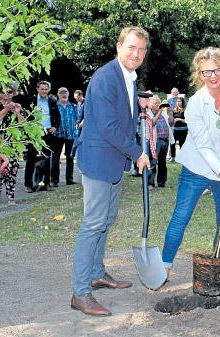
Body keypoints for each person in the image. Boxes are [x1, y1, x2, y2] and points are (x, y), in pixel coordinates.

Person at [70, 26, 151, 317]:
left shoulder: (128, 77)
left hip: (114, 162)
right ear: (118, 47)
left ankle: (96, 273)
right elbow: (107, 127)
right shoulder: (105, 77)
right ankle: (80, 292)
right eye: (131, 47)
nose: (136, 54)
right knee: (93, 223)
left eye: (141, 50)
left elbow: (122, 118)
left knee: (107, 219)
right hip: (98, 161)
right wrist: (138, 152)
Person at [162, 47, 220, 277]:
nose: (212, 76)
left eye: (216, 70)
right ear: (199, 74)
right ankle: (165, 266)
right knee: (181, 216)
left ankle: (217, 273)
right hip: (197, 169)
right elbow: (204, 145)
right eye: (206, 72)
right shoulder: (195, 103)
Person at [0, 88, 26, 205]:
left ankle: (11, 197)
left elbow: (23, 124)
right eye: (4, 91)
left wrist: (18, 112)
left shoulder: (17, 105)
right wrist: (6, 108)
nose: (7, 93)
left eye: (10, 91)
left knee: (12, 168)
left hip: (11, 142)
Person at [24, 81, 60, 192]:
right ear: (38, 89)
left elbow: (57, 116)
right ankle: (28, 184)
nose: (44, 91)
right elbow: (26, 115)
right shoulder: (31, 100)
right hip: (34, 133)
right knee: (31, 158)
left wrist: (55, 127)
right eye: (42, 89)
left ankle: (46, 183)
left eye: (46, 89)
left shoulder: (52, 101)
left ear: (48, 90)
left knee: (47, 158)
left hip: (47, 133)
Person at [51, 87, 78, 186]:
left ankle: (69, 179)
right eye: (61, 93)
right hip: (58, 134)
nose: (63, 94)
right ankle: (54, 180)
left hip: (70, 135)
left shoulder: (73, 106)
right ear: (58, 95)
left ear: (68, 94)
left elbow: (77, 120)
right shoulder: (54, 106)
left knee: (70, 157)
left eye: (65, 92)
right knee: (55, 158)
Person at [148, 95, 174, 187]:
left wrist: (170, 112)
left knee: (163, 162)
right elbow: (152, 123)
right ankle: (150, 183)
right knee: (153, 162)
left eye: (159, 102)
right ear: (150, 104)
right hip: (156, 141)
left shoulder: (164, 114)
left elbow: (171, 123)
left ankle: (161, 182)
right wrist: (160, 111)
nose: (158, 104)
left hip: (165, 140)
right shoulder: (148, 114)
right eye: (156, 103)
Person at [167, 87, 181, 162]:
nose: (174, 94)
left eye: (175, 92)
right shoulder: (169, 101)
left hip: (181, 124)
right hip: (172, 124)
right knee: (172, 141)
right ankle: (172, 157)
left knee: (182, 141)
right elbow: (168, 112)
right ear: (171, 93)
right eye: (173, 93)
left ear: (178, 92)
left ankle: (183, 157)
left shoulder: (182, 100)